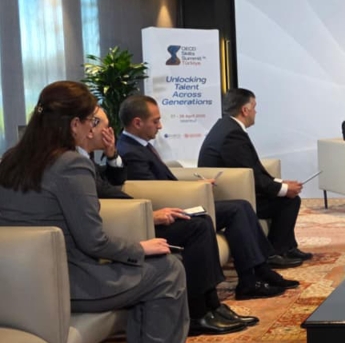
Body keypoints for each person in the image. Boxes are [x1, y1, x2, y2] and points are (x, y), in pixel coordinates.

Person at [0, 81, 203, 343]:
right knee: (168, 268)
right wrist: (140, 247)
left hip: (16, 284)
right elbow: (93, 241)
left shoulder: (11, 159)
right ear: (74, 124)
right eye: (90, 121)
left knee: (146, 266)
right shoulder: (70, 164)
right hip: (67, 283)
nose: (92, 129)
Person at [83, 107, 257, 334]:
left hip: (135, 216)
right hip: (125, 225)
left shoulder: (88, 157)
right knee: (197, 228)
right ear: (88, 127)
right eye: (105, 127)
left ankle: (212, 305)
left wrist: (111, 154)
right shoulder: (75, 164)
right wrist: (149, 215)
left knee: (203, 221)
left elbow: (114, 182)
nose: (109, 132)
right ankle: (197, 313)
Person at [116, 95, 299, 300]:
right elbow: (153, 191)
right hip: (169, 211)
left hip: (179, 203)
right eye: (155, 121)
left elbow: (164, 183)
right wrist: (191, 191)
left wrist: (197, 186)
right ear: (137, 123)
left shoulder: (140, 145)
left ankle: (261, 271)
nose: (160, 126)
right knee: (237, 210)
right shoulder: (130, 151)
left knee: (241, 206)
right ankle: (250, 281)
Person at [197, 88, 313, 262]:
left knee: (287, 198)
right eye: (254, 107)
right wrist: (283, 189)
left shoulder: (227, 127)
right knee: (288, 201)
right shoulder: (232, 134)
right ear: (245, 110)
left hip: (236, 189)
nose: (256, 112)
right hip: (231, 195)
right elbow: (251, 176)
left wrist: (280, 182)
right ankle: (275, 252)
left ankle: (287, 247)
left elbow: (251, 169)